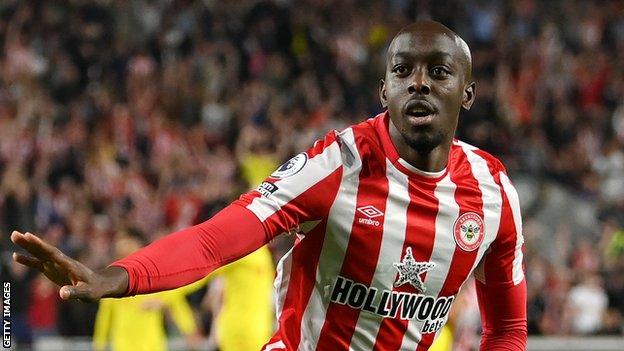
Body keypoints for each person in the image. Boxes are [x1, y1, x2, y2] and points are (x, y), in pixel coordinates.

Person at [11, 21, 527, 350]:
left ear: (468, 93)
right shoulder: (338, 165)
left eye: (439, 71)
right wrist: (118, 277)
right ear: (383, 90)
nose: (419, 82)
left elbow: (507, 330)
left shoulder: (494, 195)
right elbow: (215, 239)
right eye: (402, 70)